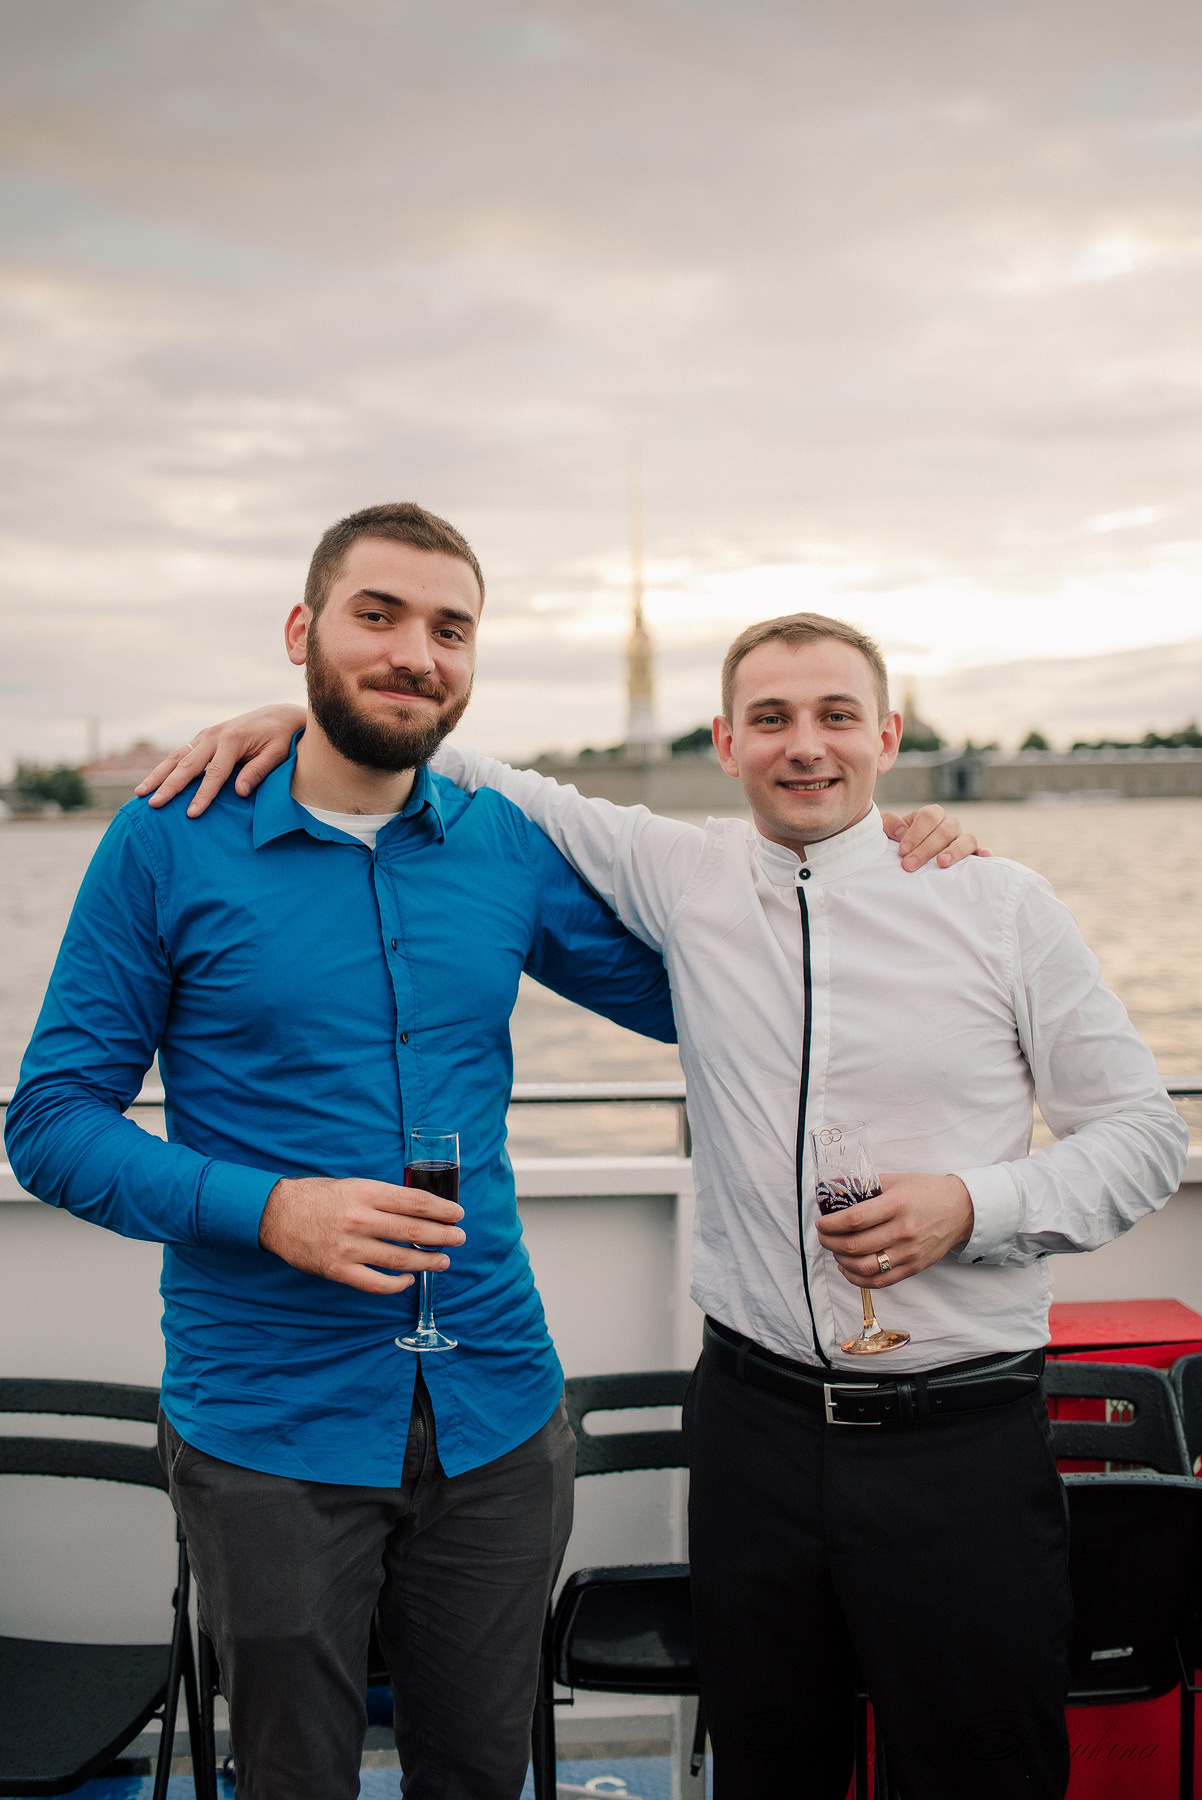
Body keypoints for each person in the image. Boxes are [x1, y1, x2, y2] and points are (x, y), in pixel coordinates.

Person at [160, 608, 1188, 1800]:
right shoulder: (686, 874)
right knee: (763, 1764)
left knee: (979, 1770)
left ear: (888, 734)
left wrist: (975, 1203)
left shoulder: (999, 903)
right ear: (723, 741)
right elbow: (502, 780)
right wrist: (307, 720)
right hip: (754, 1431)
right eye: (770, 719)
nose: (804, 746)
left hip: (958, 1439)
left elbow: (1143, 1139)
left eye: (834, 716)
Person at [7, 502, 689, 1800]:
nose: (414, 653)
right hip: (271, 1428)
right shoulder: (167, 837)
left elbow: (695, 990)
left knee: (481, 1776)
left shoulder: (499, 840)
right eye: (376, 615)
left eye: (449, 629)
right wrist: (271, 1212)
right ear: (300, 631)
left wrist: (887, 859)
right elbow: (49, 1125)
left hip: (495, 1406)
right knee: (291, 1781)